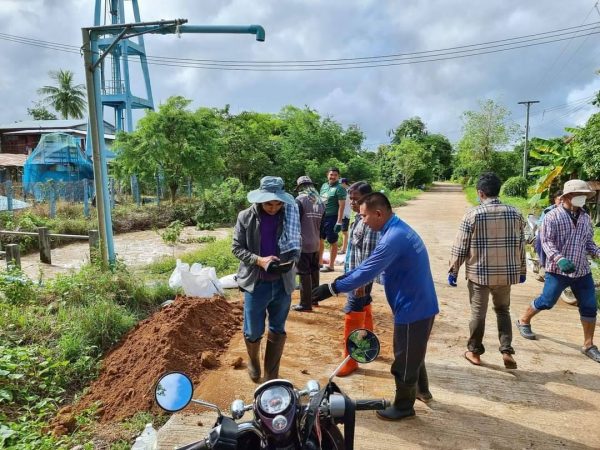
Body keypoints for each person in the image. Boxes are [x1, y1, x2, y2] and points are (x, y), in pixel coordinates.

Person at [312, 193, 439, 421]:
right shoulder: (395, 229)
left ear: (378, 213)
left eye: (364, 216)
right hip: (419, 304)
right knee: (414, 352)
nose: (362, 221)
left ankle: (403, 406)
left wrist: (332, 288)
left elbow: (366, 271)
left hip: (413, 308)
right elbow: (367, 267)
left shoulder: (394, 238)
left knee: (404, 360)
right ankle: (422, 391)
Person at [516, 179, 600, 363]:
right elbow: (546, 242)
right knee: (547, 301)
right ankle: (523, 320)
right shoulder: (552, 217)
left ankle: (588, 345)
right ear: (568, 196)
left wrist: (597, 253)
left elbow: (589, 243)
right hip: (557, 271)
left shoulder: (585, 218)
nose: (583, 199)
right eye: (580, 195)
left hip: (582, 271)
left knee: (589, 307)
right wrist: (560, 259)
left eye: (585, 196)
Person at [448, 172, 526, 369]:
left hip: (479, 274)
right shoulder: (515, 213)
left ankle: (474, 352)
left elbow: (460, 246)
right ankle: (506, 349)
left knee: (478, 314)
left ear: (480, 193)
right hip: (505, 275)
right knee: (503, 310)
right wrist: (522, 269)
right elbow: (521, 244)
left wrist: (453, 270)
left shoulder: (473, 215)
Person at [232, 176, 301, 382]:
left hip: (282, 283)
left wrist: (291, 262)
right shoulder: (245, 217)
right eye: (269, 203)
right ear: (260, 200)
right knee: (253, 330)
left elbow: (297, 245)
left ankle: (272, 374)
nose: (273, 207)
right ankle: (253, 360)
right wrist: (259, 260)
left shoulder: (289, 216)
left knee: (277, 329)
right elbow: (236, 248)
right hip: (257, 282)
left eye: (278, 203)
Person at [336, 181, 380, 376]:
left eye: (356, 199)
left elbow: (369, 258)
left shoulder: (368, 223)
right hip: (356, 276)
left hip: (360, 279)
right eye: (350, 199)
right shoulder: (359, 218)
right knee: (364, 306)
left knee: (353, 312)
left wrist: (360, 282)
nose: (352, 202)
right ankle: (369, 345)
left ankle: (350, 359)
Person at [292, 175, 325, 312]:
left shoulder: (299, 200)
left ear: (300, 187)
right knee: (314, 270)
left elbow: (296, 223)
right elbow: (323, 225)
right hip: (316, 242)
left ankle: (305, 304)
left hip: (303, 243)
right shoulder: (321, 202)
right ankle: (314, 299)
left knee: (304, 272)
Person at [319, 167, 347, 273]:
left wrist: (339, 221)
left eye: (335, 175)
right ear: (327, 175)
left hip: (332, 217)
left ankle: (331, 266)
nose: (333, 177)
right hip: (322, 216)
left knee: (332, 241)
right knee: (320, 239)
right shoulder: (324, 186)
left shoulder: (340, 188)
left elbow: (342, 206)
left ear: (338, 176)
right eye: (331, 174)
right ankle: (320, 263)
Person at [338, 178, 352, 254]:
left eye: (340, 183)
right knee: (341, 231)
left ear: (344, 183)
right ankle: (342, 248)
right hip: (341, 213)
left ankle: (343, 249)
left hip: (345, 214)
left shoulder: (349, 192)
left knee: (344, 231)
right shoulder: (345, 191)